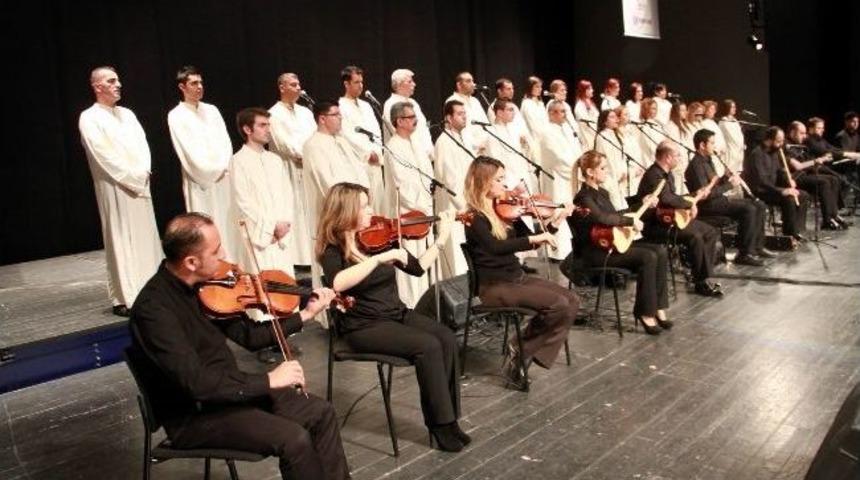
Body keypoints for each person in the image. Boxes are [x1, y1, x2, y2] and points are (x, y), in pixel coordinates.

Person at [130, 212, 349, 480]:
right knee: (294, 439)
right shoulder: (154, 310)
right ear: (191, 262)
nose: (224, 255)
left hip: (231, 394)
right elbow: (197, 384)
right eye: (215, 251)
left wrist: (305, 314)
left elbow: (250, 336)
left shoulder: (206, 288)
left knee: (321, 412)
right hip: (195, 415)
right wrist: (268, 380)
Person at [317, 183, 469, 452]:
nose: (371, 211)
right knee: (428, 346)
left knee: (446, 337)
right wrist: (378, 260)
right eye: (364, 206)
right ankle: (439, 424)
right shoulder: (332, 250)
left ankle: (451, 419)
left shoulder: (377, 240)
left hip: (395, 314)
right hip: (363, 326)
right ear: (347, 210)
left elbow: (418, 268)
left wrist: (441, 238)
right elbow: (337, 282)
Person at [463, 156, 579, 389]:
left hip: (516, 278)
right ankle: (522, 353)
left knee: (572, 299)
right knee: (558, 304)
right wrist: (534, 239)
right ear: (484, 181)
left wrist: (557, 221)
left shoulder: (505, 211)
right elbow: (496, 247)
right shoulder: (474, 218)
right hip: (494, 287)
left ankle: (521, 350)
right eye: (499, 179)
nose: (505, 184)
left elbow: (532, 239)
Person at [79, 66, 163, 316]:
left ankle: (152, 291)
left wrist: (143, 172)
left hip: (139, 182)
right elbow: (103, 154)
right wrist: (131, 177)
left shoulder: (128, 114)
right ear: (97, 86)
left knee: (145, 236)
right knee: (121, 236)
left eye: (117, 80)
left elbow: (143, 145)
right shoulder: (89, 117)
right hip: (115, 185)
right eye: (111, 81)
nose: (118, 84)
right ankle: (126, 296)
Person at [571, 151, 671, 335]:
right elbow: (602, 218)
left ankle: (658, 306)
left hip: (610, 246)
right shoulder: (583, 197)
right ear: (590, 172)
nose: (607, 171)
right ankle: (645, 312)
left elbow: (616, 214)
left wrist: (641, 203)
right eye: (603, 168)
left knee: (660, 250)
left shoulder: (602, 193)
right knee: (647, 257)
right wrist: (630, 221)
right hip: (595, 253)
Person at [167, 66, 236, 261]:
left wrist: (223, 166)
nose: (199, 87)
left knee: (227, 221)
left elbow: (225, 141)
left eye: (201, 82)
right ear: (182, 87)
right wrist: (210, 171)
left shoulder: (212, 110)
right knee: (205, 223)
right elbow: (187, 150)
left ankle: (230, 263)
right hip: (200, 179)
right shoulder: (176, 115)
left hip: (223, 176)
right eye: (194, 83)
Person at [638, 141, 723, 297]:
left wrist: (694, 195)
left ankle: (701, 275)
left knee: (710, 232)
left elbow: (673, 197)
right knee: (695, 236)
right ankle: (700, 281)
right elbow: (666, 199)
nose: (679, 158)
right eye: (677, 155)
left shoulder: (667, 174)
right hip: (657, 224)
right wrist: (690, 204)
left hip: (670, 219)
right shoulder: (654, 175)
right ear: (668, 157)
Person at [684, 129, 772, 266]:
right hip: (708, 206)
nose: (714, 146)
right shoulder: (696, 166)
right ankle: (745, 253)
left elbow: (714, 185)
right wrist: (729, 185)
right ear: (702, 145)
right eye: (712, 143)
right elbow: (705, 195)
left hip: (718, 201)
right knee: (748, 209)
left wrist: (726, 177)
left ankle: (757, 246)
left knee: (759, 205)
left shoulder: (708, 161)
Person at [229, 108, 296, 283]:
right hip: (260, 236)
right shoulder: (238, 161)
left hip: (280, 235)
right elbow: (243, 201)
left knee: (286, 283)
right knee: (263, 283)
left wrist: (284, 225)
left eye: (268, 125)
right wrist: (270, 227)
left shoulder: (275, 160)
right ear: (247, 129)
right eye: (262, 125)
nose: (268, 130)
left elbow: (287, 195)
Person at [383, 102, 436, 307]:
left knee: (424, 257)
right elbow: (401, 183)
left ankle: (425, 302)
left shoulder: (416, 142)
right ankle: (410, 304)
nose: (415, 120)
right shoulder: (394, 146)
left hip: (424, 208)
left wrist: (428, 201)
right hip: (408, 212)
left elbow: (427, 173)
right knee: (410, 259)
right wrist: (418, 207)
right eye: (410, 117)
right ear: (399, 121)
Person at [268, 73, 317, 267]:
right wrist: (303, 155)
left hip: (309, 166)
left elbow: (314, 135)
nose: (298, 88)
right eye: (293, 85)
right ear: (282, 88)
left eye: (298, 84)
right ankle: (297, 257)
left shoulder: (305, 112)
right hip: (289, 166)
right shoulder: (274, 114)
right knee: (293, 207)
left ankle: (313, 252)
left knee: (310, 208)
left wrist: (313, 155)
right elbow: (282, 143)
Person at [743, 126, 810, 241]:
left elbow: (779, 172)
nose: (781, 144)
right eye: (779, 141)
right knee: (789, 199)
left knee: (803, 195)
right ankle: (789, 235)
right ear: (769, 140)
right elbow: (762, 181)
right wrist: (782, 190)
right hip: (761, 191)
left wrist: (788, 180)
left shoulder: (774, 152)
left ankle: (798, 230)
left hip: (772, 189)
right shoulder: (757, 154)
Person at [433, 100, 475, 279]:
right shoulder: (444, 141)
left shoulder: (462, 138)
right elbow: (449, 179)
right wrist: (463, 205)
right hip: (455, 204)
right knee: (456, 248)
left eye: (465, 113)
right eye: (459, 114)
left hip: (468, 199)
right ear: (449, 118)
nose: (464, 117)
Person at [338, 66, 386, 215]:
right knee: (362, 205)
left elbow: (376, 131)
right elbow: (347, 134)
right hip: (358, 161)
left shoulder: (366, 106)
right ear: (346, 84)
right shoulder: (340, 106)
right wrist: (367, 153)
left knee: (378, 205)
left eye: (361, 82)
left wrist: (377, 151)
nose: (360, 85)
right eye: (356, 82)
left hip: (374, 161)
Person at [540, 100, 583, 261]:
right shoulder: (546, 131)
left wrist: (580, 165)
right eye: (560, 111)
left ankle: (572, 249)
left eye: (565, 111)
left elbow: (577, 150)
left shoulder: (567, 129)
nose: (564, 115)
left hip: (571, 176)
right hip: (557, 177)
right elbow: (556, 157)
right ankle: (557, 251)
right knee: (559, 211)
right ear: (551, 113)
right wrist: (575, 169)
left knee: (571, 209)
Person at [785, 121, 848, 230]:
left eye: (805, 133)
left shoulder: (801, 145)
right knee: (824, 182)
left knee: (833, 179)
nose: (804, 136)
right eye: (801, 133)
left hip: (805, 174)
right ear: (792, 133)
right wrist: (816, 161)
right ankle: (827, 220)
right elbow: (798, 166)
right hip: (794, 177)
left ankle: (833, 215)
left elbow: (808, 162)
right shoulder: (786, 146)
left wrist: (818, 162)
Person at [382, 68, 433, 157]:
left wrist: (429, 149)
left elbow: (423, 128)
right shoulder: (390, 104)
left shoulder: (414, 103)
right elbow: (398, 132)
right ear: (398, 85)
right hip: (404, 155)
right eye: (410, 82)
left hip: (423, 154)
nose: (414, 84)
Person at [592, 108, 631, 209]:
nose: (616, 119)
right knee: (615, 207)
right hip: (609, 178)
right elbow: (608, 160)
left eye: (616, 117)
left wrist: (623, 172)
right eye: (612, 117)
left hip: (618, 179)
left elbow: (619, 157)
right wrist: (617, 175)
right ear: (605, 122)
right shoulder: (602, 137)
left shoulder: (615, 134)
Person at [445, 71, 490, 152]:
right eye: (469, 81)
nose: (473, 84)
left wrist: (487, 142)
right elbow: (455, 128)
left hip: (484, 147)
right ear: (459, 85)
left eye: (472, 81)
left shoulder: (475, 101)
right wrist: (475, 146)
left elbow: (485, 123)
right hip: (466, 148)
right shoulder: (452, 101)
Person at [717, 99, 746, 181]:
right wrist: (739, 144)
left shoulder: (735, 120)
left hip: (738, 151)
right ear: (727, 108)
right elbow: (732, 137)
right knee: (731, 175)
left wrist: (742, 144)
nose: (735, 109)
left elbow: (739, 135)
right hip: (731, 151)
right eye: (732, 107)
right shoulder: (723, 122)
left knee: (737, 175)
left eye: (735, 107)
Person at [520, 75, 550, 139]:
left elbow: (545, 120)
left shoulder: (540, 103)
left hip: (544, 136)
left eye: (540, 87)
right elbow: (533, 125)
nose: (540, 89)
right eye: (537, 87)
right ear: (530, 87)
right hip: (534, 137)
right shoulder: (527, 104)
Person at [574, 79, 599, 149]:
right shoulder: (579, 106)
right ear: (583, 90)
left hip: (594, 134)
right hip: (586, 137)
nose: (592, 90)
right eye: (589, 89)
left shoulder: (591, 103)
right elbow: (586, 124)